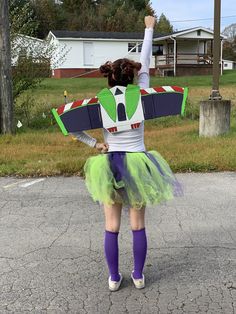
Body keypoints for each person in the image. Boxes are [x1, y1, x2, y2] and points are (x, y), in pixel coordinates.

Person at [73, 16, 182, 291]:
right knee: (137, 224)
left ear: (109, 78)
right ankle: (138, 275)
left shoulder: (99, 101)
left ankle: (112, 278)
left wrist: (95, 144)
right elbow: (144, 62)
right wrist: (149, 29)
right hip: (138, 163)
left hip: (110, 165)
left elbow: (72, 128)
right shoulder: (142, 94)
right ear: (133, 76)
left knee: (111, 225)